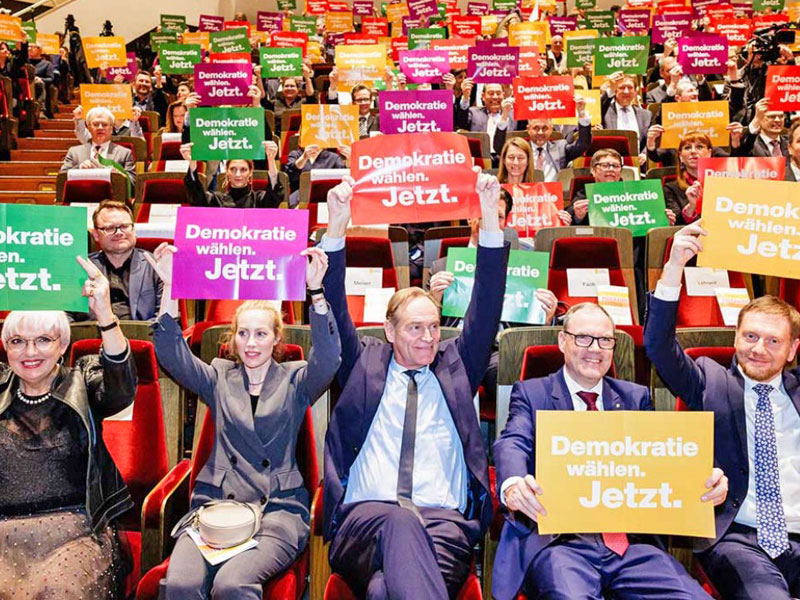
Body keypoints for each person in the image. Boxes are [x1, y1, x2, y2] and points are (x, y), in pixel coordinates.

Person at [321, 170, 510, 598]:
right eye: (414, 328)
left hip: (444, 524)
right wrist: (336, 226)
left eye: (433, 327)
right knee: (399, 524)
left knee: (383, 590)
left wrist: (489, 221)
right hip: (363, 521)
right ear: (389, 330)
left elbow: (487, 303)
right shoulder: (363, 364)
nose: (428, 338)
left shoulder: (457, 365)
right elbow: (332, 311)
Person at [492, 302, 727, 600]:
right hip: (561, 544)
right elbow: (512, 441)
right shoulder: (532, 392)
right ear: (563, 341)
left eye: (605, 340)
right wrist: (513, 483)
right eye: (583, 338)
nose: (595, 349)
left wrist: (704, 481)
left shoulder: (636, 397)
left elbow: (661, 463)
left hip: (631, 546)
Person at [147, 242, 341, 599]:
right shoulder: (219, 376)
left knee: (232, 584)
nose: (251, 343)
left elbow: (329, 359)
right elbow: (171, 354)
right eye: (243, 333)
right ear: (233, 339)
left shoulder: (296, 380)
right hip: (217, 506)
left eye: (261, 334)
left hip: (277, 511)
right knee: (179, 584)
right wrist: (171, 287)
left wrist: (316, 292)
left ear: (276, 339)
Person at [645, 222, 800, 599]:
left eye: (772, 341)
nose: (758, 349)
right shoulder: (708, 381)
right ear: (735, 336)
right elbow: (658, 345)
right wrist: (674, 265)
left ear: (792, 350)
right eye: (750, 336)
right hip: (739, 538)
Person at [0, 255, 137, 598]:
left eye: (43, 340)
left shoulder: (83, 382)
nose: (30, 351)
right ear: (5, 349)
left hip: (73, 532)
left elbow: (122, 385)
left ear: (62, 345)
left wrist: (105, 314)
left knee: (60, 592)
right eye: (17, 341)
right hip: (3, 535)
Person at [68, 201, 162, 323]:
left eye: (124, 226)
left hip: (142, 337)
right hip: (91, 337)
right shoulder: (80, 267)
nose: (118, 232)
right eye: (109, 228)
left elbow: (164, 318)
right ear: (96, 235)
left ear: (134, 229)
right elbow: (64, 315)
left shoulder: (156, 266)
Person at [180, 140, 283, 208]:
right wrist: (192, 162)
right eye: (233, 169)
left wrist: (271, 159)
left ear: (250, 172)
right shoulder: (215, 200)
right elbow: (195, 196)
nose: (238, 174)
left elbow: (275, 194)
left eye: (243, 169)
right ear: (227, 171)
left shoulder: (259, 200)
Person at [60, 106, 136, 187]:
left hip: (112, 197)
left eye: (104, 124)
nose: (100, 128)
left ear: (111, 127)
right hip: (82, 197)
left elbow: (133, 184)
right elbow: (61, 179)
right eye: (96, 124)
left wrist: (118, 175)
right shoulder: (74, 152)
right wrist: (79, 169)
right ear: (88, 127)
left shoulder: (124, 153)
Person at [455, 81, 517, 157]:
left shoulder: (513, 115)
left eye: (498, 93)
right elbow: (462, 123)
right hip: (480, 158)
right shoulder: (473, 112)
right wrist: (465, 97)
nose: (495, 97)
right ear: (483, 96)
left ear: (503, 95)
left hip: (507, 158)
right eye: (491, 93)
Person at [663, 132, 712, 225]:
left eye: (699, 147)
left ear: (709, 153)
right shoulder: (670, 188)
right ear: (680, 156)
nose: (693, 151)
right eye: (687, 148)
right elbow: (676, 225)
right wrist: (691, 206)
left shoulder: (723, 182)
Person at [601, 73, 651, 160]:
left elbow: (650, 139)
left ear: (636, 92)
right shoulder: (605, 112)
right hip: (610, 162)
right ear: (615, 91)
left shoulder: (646, 115)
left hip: (639, 164)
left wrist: (644, 154)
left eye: (630, 88)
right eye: (622, 87)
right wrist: (610, 89)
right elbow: (599, 106)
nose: (626, 91)